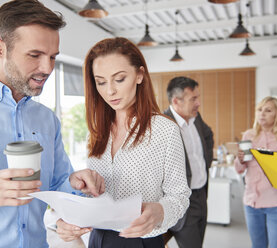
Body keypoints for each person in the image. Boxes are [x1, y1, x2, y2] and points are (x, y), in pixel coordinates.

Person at [0, 1, 105, 247]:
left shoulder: (47, 119)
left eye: (52, 57)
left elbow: (59, 185)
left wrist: (74, 182)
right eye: (35, 55)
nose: (47, 68)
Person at [56, 37, 191, 247]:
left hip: (142, 241)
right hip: (99, 238)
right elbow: (95, 198)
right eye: (101, 82)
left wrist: (160, 211)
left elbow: (180, 196)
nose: (110, 91)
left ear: (139, 75)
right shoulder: (96, 132)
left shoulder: (165, 130)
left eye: (119, 79)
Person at [234, 96, 277, 248]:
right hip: (251, 202)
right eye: (259, 110)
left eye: (268, 110)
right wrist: (240, 159)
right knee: (257, 245)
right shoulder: (249, 136)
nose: (262, 114)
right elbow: (239, 169)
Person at [162, 76, 214, 248]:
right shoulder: (162, 124)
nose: (198, 103)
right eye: (194, 99)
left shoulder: (195, 118)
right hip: (182, 201)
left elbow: (208, 135)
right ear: (176, 101)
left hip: (201, 195)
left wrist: (205, 164)